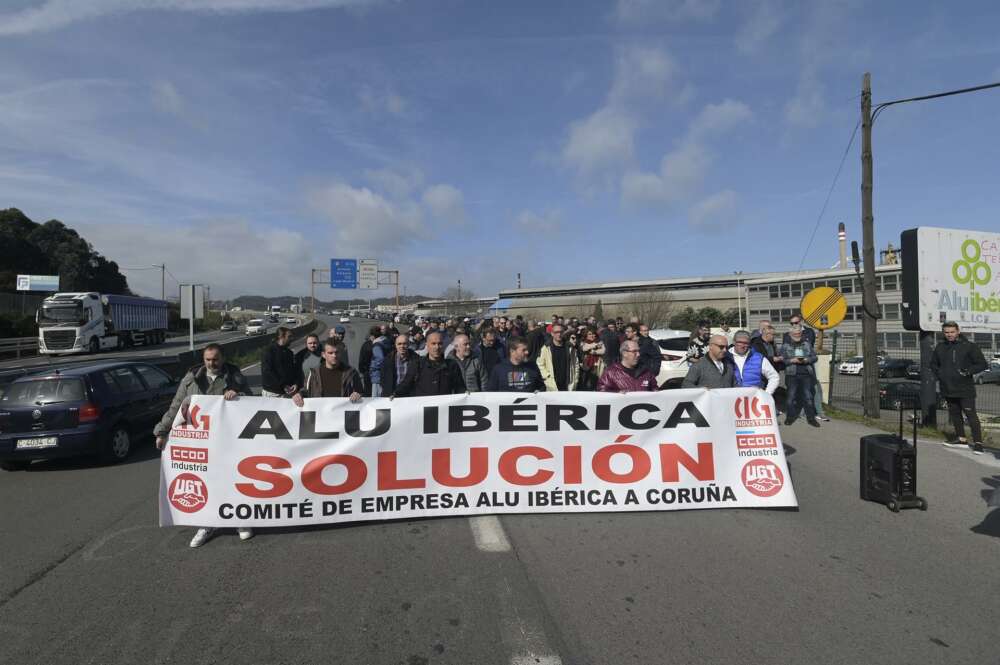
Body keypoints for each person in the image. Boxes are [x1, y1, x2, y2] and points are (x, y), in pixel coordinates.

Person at [154, 343, 253, 548]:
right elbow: (176, 406)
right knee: (205, 482)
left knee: (232, 480)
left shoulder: (235, 376)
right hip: (200, 441)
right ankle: (207, 524)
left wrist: (239, 395)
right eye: (208, 359)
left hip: (229, 440)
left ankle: (238, 520)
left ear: (222, 358)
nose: (211, 363)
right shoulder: (191, 380)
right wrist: (162, 431)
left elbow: (253, 403)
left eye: (215, 359)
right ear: (203, 359)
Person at [931, 321, 988, 454]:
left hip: (965, 388)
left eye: (952, 332)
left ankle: (978, 443)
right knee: (955, 415)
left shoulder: (969, 346)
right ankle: (961, 440)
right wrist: (940, 374)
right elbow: (933, 364)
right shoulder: (940, 347)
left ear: (958, 331)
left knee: (971, 415)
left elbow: (982, 364)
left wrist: (967, 371)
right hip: (947, 388)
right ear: (943, 333)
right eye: (946, 332)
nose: (949, 335)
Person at [392, 332, 466, 396]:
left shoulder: (452, 365)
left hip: (444, 410)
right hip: (421, 410)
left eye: (439, 344)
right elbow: (406, 384)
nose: (437, 347)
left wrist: (466, 395)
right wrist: (395, 394)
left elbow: (459, 388)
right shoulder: (417, 364)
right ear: (427, 345)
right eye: (433, 344)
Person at [784, 315, 828, 420]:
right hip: (794, 366)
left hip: (807, 364)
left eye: (796, 322)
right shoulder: (787, 334)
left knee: (814, 387)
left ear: (801, 322)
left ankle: (819, 411)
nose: (794, 325)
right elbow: (787, 347)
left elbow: (808, 345)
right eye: (791, 323)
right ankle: (799, 411)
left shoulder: (809, 332)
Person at [293, 341, 364, 403]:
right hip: (320, 416)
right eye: (330, 353)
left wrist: (358, 395)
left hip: (342, 416)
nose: (334, 355)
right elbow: (306, 391)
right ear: (323, 355)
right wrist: (299, 395)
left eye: (337, 352)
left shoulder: (351, 372)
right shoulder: (313, 373)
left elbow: (361, 393)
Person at [780, 328, 820, 427]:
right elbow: (782, 360)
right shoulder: (785, 346)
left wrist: (807, 360)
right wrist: (791, 361)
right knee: (790, 398)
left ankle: (811, 419)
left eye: (799, 333)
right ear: (790, 334)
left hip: (806, 374)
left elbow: (815, 357)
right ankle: (790, 417)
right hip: (791, 375)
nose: (797, 335)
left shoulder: (807, 344)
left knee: (808, 397)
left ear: (802, 334)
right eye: (795, 333)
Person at [729, 330, 779, 395]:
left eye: (746, 343)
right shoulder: (726, 357)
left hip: (753, 399)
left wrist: (767, 394)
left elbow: (774, 376)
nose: (742, 345)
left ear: (749, 344)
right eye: (739, 342)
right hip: (731, 398)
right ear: (734, 342)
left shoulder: (758, 357)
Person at [537, 322, 578, 391]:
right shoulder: (546, 348)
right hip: (552, 385)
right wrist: (547, 376)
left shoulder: (570, 347)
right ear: (552, 333)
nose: (559, 334)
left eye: (561, 332)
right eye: (556, 332)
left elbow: (576, 364)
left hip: (568, 385)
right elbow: (540, 363)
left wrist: (575, 379)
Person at [261, 327, 297, 398]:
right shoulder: (269, 351)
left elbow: (292, 371)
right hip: (272, 393)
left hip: (287, 392)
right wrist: (283, 385)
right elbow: (268, 371)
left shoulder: (289, 353)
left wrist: (295, 383)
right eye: (289, 336)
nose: (292, 339)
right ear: (281, 337)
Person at [369, 327, 391, 397]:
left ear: (373, 336)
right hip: (386, 373)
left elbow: (380, 359)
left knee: (376, 398)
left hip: (377, 374)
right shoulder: (385, 341)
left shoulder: (376, 345)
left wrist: (372, 367)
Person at [358, 327, 377, 396]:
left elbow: (361, 360)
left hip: (367, 372)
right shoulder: (380, 345)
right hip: (376, 373)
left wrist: (362, 371)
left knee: (368, 391)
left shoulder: (365, 345)